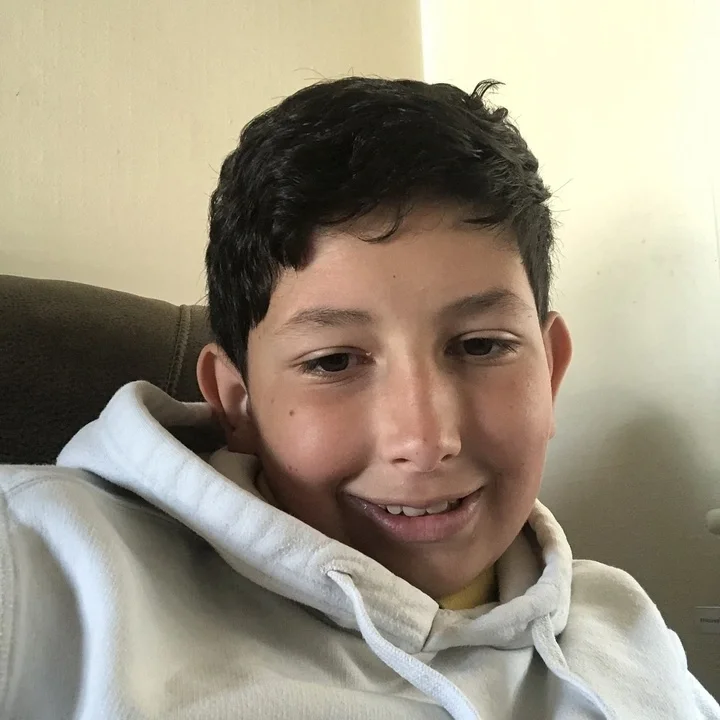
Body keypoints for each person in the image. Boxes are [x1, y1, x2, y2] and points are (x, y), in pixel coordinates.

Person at [0, 77, 717, 720]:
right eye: (334, 361)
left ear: (550, 372)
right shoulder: (44, 564)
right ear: (238, 401)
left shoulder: (625, 623)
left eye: (480, 346)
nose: (426, 441)